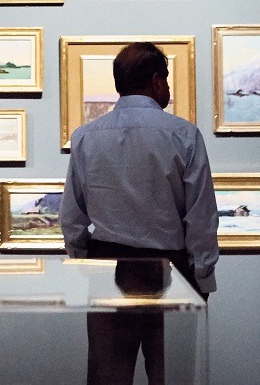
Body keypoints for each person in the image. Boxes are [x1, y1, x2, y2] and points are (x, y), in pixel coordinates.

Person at [60, 41, 219, 384]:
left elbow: (72, 220)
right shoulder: (184, 136)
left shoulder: (86, 137)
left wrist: (89, 260)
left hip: (108, 269)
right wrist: (202, 279)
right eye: (166, 80)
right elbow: (201, 219)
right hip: (171, 271)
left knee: (109, 378)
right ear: (156, 80)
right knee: (171, 375)